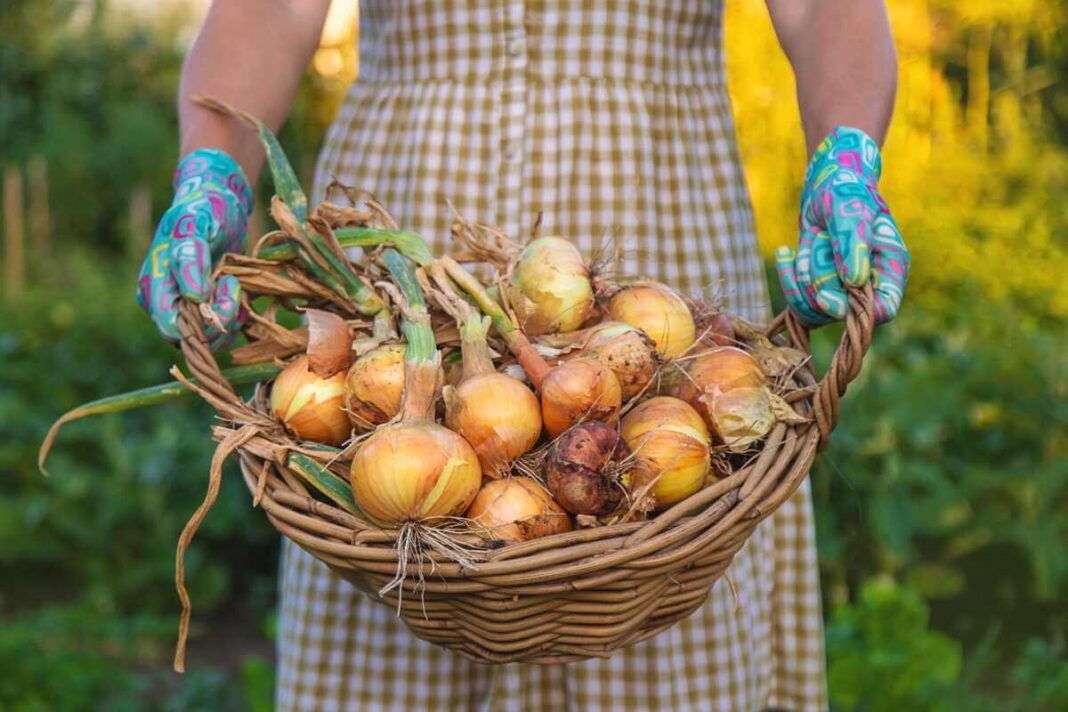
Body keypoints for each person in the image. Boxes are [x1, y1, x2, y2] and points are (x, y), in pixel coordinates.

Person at [137, 1, 909, 710]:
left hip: (659, 247)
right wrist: (211, 175)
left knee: (673, 478)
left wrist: (843, 162)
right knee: (398, 509)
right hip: (409, 263)